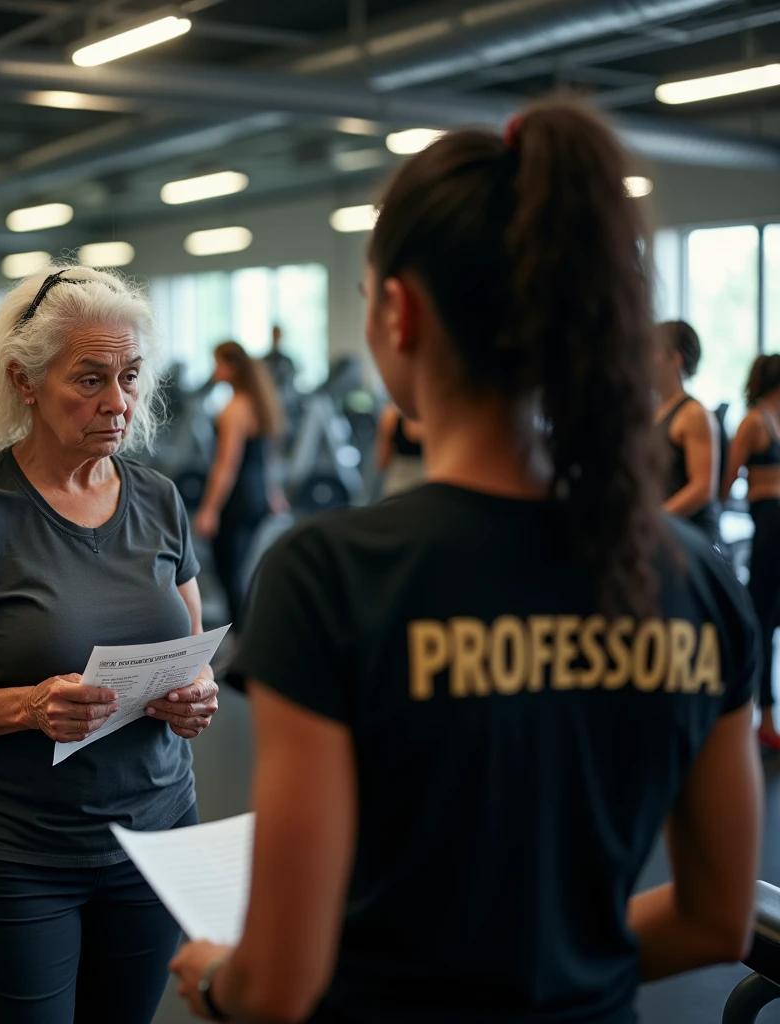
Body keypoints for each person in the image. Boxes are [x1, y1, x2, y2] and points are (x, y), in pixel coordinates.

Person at [171, 99, 762, 1023]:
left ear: (400, 313)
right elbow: (714, 921)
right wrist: (559, 965)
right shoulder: (695, 578)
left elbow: (279, 984)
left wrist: (214, 975)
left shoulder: (328, 577)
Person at [0, 266, 221, 1024]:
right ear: (25, 382)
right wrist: (30, 706)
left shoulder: (159, 499)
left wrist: (198, 695)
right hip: (21, 854)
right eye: (91, 378)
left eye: (130, 376)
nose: (118, 401)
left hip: (158, 830)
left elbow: (192, 646)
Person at [194, 340, 283, 628]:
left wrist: (209, 509)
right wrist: (273, 493)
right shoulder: (258, 403)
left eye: (217, 363)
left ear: (231, 367)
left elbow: (226, 465)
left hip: (238, 498)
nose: (214, 370)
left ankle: (243, 639)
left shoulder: (234, 409)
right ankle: (245, 636)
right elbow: (266, 457)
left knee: (229, 573)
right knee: (242, 573)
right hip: (257, 496)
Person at [722, 354, 780, 751]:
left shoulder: (775, 419)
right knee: (761, 620)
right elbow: (724, 481)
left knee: (773, 620)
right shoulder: (754, 421)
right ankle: (761, 718)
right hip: (770, 527)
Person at [652, 320, 720, 543]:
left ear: (675, 360)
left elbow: (702, 488)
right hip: (665, 532)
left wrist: (654, 520)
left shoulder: (694, 414)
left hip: (690, 538)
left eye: (654, 351)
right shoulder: (654, 411)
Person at [374, 401, 425, 496]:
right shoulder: (438, 415)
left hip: (400, 484)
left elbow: (382, 462)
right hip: (428, 483)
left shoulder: (390, 415)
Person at [262, 324, 296, 396]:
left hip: (285, 399)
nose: (276, 337)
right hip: (269, 397)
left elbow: (290, 383)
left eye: (278, 335)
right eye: (275, 334)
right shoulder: (265, 361)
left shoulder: (287, 361)